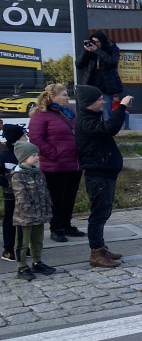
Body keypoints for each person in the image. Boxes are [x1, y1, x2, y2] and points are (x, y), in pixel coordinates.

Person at [74, 84, 131, 268]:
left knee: (104, 212)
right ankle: (96, 253)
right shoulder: (85, 121)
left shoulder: (91, 118)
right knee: (98, 215)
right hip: (97, 175)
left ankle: (100, 248)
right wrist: (121, 107)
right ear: (89, 103)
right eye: (99, 99)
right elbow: (110, 127)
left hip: (105, 173)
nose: (103, 101)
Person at [28, 84, 85, 243]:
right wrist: (55, 155)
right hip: (55, 165)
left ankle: (67, 225)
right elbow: (36, 139)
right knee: (56, 198)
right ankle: (56, 228)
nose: (68, 97)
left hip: (74, 163)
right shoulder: (41, 115)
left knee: (70, 197)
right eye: (65, 95)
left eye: (68, 95)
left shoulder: (70, 113)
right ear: (52, 97)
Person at [10, 141, 60, 280]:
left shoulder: (38, 173)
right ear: (23, 157)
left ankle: (37, 262)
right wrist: (28, 211)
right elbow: (21, 197)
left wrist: (47, 207)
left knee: (37, 241)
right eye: (33, 155)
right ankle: (21, 267)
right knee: (22, 243)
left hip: (39, 215)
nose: (37, 157)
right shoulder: (18, 175)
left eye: (37, 154)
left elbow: (45, 192)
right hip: (25, 218)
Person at [75, 31, 122, 119]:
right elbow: (79, 65)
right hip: (91, 87)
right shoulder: (89, 50)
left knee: (106, 113)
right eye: (93, 41)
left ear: (103, 41)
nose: (95, 44)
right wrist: (86, 51)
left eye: (97, 42)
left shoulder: (112, 49)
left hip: (106, 88)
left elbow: (112, 62)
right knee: (90, 113)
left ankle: (106, 132)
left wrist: (97, 51)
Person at [1, 124, 25, 263]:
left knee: (23, 219)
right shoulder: (4, 154)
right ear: (15, 139)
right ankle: (8, 249)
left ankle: (21, 245)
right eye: (23, 136)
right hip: (10, 193)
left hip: (23, 193)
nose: (26, 137)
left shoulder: (22, 152)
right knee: (10, 220)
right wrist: (5, 183)